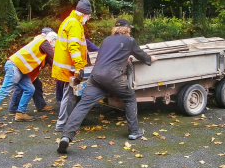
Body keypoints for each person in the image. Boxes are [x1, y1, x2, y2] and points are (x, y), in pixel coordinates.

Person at [57, 18, 157, 154]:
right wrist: (150, 59)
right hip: (113, 77)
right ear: (127, 30)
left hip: (96, 76)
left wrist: (125, 59)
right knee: (129, 97)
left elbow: (109, 57)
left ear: (115, 29)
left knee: (83, 105)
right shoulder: (130, 40)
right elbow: (141, 55)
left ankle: (66, 137)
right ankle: (134, 131)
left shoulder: (106, 40)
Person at [0, 30, 55, 129]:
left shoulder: (39, 40)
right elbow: (53, 57)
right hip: (15, 66)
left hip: (20, 68)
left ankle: (20, 113)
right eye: (54, 46)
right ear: (52, 40)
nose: (53, 48)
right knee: (4, 90)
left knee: (30, 89)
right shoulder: (44, 42)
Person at [52, 0, 92, 132]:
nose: (88, 19)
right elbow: (73, 47)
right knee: (69, 96)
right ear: (83, 14)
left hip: (66, 66)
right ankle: (62, 125)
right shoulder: (75, 24)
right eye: (88, 16)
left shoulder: (68, 21)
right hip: (70, 67)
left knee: (71, 95)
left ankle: (73, 119)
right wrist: (79, 67)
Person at [9, 28, 57, 114]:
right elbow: (53, 58)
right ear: (45, 34)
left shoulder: (41, 41)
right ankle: (13, 109)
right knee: (20, 88)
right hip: (24, 68)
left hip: (30, 70)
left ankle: (41, 105)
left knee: (36, 85)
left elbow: (50, 60)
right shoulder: (43, 42)